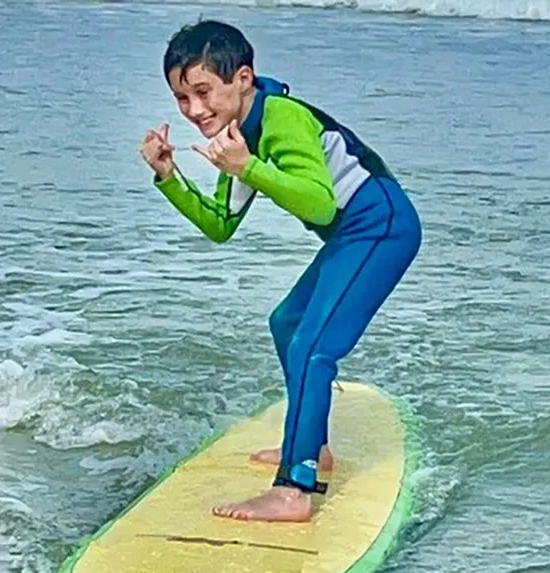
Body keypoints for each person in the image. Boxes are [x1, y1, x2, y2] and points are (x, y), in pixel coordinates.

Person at [138, 19, 422, 523]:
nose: (194, 110)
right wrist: (169, 176)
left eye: (203, 92)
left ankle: (295, 488)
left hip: (382, 225)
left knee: (313, 346)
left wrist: (247, 167)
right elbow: (220, 224)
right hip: (353, 232)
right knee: (287, 324)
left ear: (243, 78)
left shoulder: (282, 118)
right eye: (182, 99)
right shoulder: (237, 135)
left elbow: (318, 203)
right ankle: (313, 446)